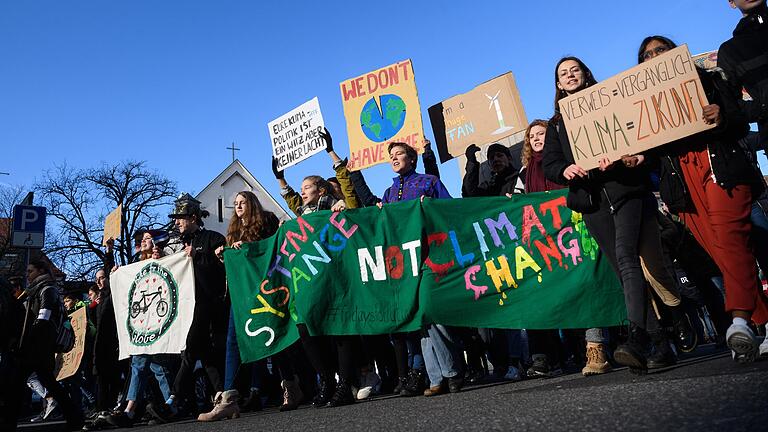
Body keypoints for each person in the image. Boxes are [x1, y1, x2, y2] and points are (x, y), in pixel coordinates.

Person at [543, 56, 677, 374]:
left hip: (625, 191)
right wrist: (566, 168)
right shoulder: (556, 124)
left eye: (575, 70)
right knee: (623, 270)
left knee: (628, 259)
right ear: (558, 84)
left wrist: (628, 158)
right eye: (564, 73)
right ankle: (659, 342)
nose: (570, 75)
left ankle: (638, 338)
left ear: (586, 75)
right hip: (593, 203)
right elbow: (550, 163)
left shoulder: (614, 104)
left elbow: (643, 140)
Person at [638, 35, 768, 362]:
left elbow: (740, 120)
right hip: (682, 182)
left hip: (718, 166)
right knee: (720, 253)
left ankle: (739, 319)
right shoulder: (643, 107)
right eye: (648, 55)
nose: (655, 56)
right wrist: (635, 157)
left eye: (661, 50)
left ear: (676, 54)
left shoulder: (710, 80)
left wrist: (722, 116)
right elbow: (652, 155)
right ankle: (763, 323)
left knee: (729, 240)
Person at [379, 141, 464, 396]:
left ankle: (452, 371)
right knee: (421, 319)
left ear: (411, 159)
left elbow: (447, 208)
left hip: (432, 256)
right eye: (391, 155)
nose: (394, 158)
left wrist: (430, 206)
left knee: (431, 312)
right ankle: (436, 377)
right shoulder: (388, 193)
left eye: (399, 154)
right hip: (405, 264)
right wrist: (380, 213)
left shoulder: (429, 182)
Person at [157, 194, 229, 421]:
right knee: (203, 352)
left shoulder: (213, 238)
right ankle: (221, 394)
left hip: (208, 304)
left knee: (190, 349)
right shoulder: (179, 245)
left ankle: (173, 399)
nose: (177, 222)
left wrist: (197, 254)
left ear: (193, 218)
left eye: (181, 218)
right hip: (189, 306)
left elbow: (221, 267)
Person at [105, 231, 178, 427]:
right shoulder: (135, 263)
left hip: (159, 321)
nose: (143, 241)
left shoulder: (164, 257)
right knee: (140, 364)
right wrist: (116, 273)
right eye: (142, 239)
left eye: (147, 238)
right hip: (142, 322)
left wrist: (161, 259)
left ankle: (165, 405)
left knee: (158, 367)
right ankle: (133, 408)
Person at [16, 260, 84, 430]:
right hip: (37, 344)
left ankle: (75, 416)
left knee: (20, 380)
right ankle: (75, 416)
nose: (28, 274)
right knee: (48, 382)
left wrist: (32, 337)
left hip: (39, 345)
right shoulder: (35, 290)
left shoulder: (47, 290)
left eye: (31, 271)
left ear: (41, 271)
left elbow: (44, 318)